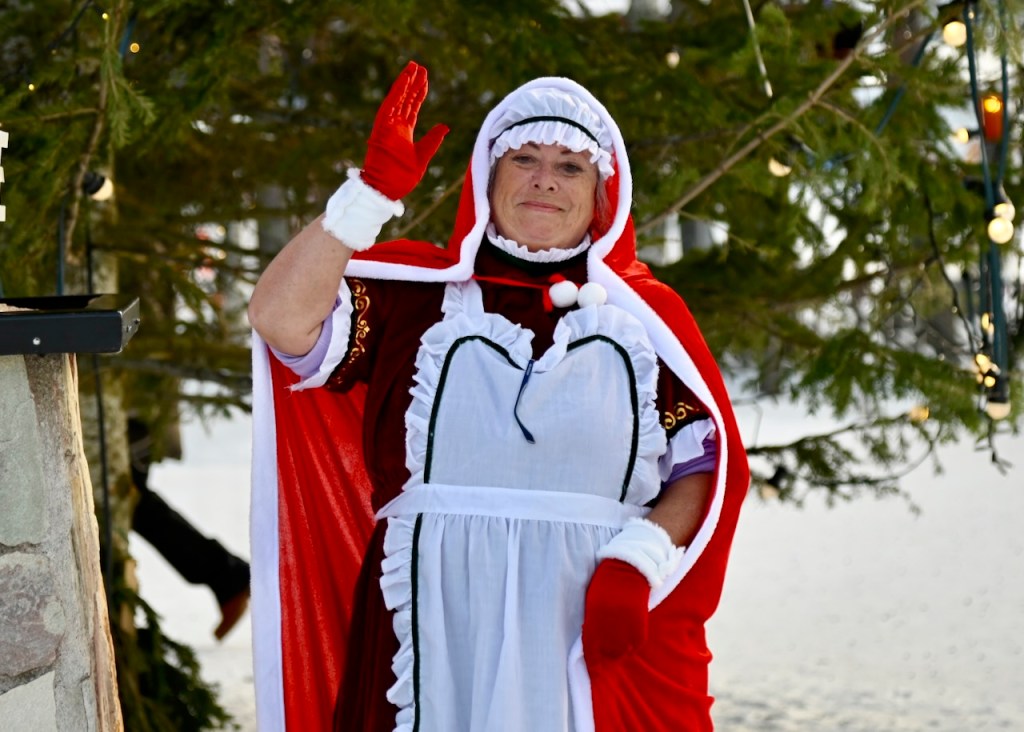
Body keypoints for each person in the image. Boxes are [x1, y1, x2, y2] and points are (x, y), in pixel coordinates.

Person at [248, 61, 749, 731]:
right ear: (489, 177)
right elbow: (281, 319)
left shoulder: (644, 320)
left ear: (602, 193)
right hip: (432, 617)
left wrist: (641, 559)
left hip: (581, 619)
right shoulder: (415, 298)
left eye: (571, 166)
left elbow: (707, 469)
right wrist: (365, 199)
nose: (545, 177)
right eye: (525, 158)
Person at [128, 418, 251, 640]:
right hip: (125, 415)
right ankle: (228, 576)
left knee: (134, 504)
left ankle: (228, 576)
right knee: (136, 506)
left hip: (125, 416)